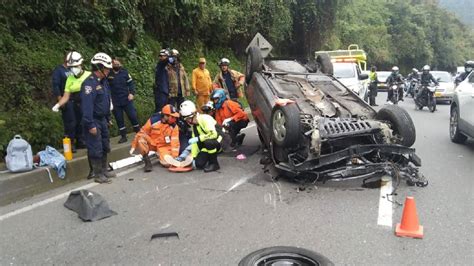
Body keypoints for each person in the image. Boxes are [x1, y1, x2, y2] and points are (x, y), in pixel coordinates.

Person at [81, 52, 116, 184]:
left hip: (102, 119)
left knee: (104, 144)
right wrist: (90, 125)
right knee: (95, 147)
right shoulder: (89, 84)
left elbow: (106, 101)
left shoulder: (104, 82)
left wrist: (108, 117)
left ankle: (104, 169)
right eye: (106, 68)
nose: (108, 71)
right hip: (93, 120)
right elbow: (87, 107)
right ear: (99, 67)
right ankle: (97, 173)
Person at [52, 51, 90, 152]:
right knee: (70, 122)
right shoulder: (60, 71)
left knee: (81, 121)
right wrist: (59, 101)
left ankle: (81, 140)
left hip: (81, 100)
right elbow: (57, 86)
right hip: (69, 100)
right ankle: (71, 143)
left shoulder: (85, 74)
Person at [129, 104, 181, 172]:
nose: (174, 119)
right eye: (172, 117)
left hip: (164, 146)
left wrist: (174, 157)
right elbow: (142, 132)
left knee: (167, 164)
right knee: (141, 139)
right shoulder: (153, 121)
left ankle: (159, 154)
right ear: (165, 116)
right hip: (152, 143)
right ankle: (147, 162)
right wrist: (134, 145)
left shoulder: (174, 126)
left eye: (175, 117)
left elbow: (175, 142)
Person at [179, 100, 222, 172]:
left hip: (219, 141)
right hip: (206, 144)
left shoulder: (205, 119)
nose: (188, 121)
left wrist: (198, 138)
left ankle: (214, 164)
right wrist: (194, 157)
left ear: (193, 115)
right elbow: (195, 144)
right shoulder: (194, 125)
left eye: (188, 119)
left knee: (208, 142)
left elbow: (214, 134)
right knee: (199, 164)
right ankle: (209, 157)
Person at [108, 57, 140, 143]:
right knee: (119, 119)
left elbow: (131, 84)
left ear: (121, 64)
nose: (116, 66)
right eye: (114, 64)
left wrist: (132, 93)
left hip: (126, 99)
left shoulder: (125, 73)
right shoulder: (109, 74)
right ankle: (123, 136)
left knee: (133, 116)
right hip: (115, 101)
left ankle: (138, 133)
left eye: (117, 64)